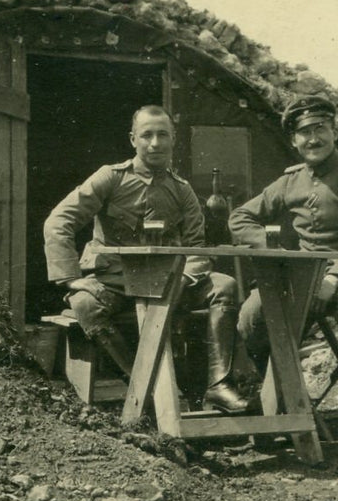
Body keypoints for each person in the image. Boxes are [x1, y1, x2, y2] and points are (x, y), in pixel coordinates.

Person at [42, 105, 249, 414]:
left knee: (224, 285)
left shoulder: (183, 191)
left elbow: (196, 248)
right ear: (133, 139)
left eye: (162, 135)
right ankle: (142, 387)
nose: (155, 143)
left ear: (173, 139)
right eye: (147, 135)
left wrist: (183, 279)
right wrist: (71, 277)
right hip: (116, 284)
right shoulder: (110, 178)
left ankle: (218, 386)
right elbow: (58, 222)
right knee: (83, 304)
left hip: (167, 285)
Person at [229, 95, 338, 458]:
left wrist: (336, 278)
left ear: (334, 131)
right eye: (303, 132)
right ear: (294, 141)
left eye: (320, 129)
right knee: (252, 314)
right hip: (305, 277)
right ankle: (286, 401)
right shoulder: (289, 183)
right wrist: (274, 247)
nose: (313, 139)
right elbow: (240, 218)